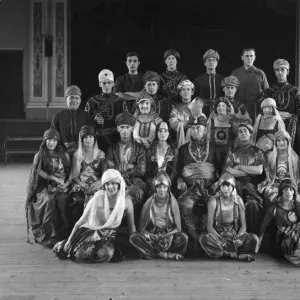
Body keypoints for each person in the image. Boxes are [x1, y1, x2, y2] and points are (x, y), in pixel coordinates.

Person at [53, 169, 136, 263]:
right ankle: (65, 244)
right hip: (92, 232)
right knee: (80, 253)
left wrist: (134, 242)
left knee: (105, 254)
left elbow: (131, 225)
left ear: (119, 184)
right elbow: (80, 222)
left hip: (110, 236)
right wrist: (69, 240)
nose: (110, 187)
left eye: (114, 183)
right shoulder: (98, 198)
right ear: (104, 186)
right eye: (107, 184)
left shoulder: (126, 201)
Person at [25, 129, 72, 247]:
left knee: (63, 200)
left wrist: (65, 184)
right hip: (45, 185)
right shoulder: (40, 155)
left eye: (54, 140)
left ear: (58, 142)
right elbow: (37, 171)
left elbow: (70, 172)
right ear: (45, 141)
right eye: (49, 140)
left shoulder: (64, 154)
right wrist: (52, 178)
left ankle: (64, 233)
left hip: (63, 184)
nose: (51, 143)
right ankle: (48, 234)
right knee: (49, 200)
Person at [199, 173, 258, 262]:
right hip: (218, 237)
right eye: (223, 186)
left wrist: (237, 240)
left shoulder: (238, 200)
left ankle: (225, 253)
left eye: (228, 186)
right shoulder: (213, 201)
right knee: (204, 238)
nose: (225, 189)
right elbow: (209, 227)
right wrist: (222, 241)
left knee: (254, 238)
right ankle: (234, 256)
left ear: (233, 187)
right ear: (219, 187)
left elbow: (243, 226)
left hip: (235, 237)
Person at [130, 171, 188, 260]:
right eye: (159, 187)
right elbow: (142, 229)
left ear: (168, 188)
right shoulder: (149, 203)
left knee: (183, 238)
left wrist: (167, 235)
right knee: (134, 237)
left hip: (168, 236)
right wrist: (150, 235)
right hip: (152, 236)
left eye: (164, 187)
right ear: (155, 188)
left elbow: (178, 229)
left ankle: (153, 254)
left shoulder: (173, 202)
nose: (161, 190)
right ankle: (164, 255)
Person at [177, 116, 216, 246]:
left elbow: (221, 169)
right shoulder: (183, 149)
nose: (195, 131)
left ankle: (207, 239)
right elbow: (178, 169)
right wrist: (180, 179)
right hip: (190, 188)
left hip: (209, 187)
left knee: (213, 205)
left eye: (198, 128)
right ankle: (196, 239)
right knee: (184, 205)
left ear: (205, 130)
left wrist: (217, 183)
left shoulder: (214, 148)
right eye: (192, 128)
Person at [224, 123, 265, 235]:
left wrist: (239, 167)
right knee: (233, 202)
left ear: (250, 133)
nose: (242, 133)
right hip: (234, 185)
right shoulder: (232, 152)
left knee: (252, 203)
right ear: (237, 135)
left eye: (245, 131)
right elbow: (228, 171)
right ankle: (234, 236)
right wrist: (249, 170)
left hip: (252, 186)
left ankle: (252, 236)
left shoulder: (258, 152)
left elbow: (259, 171)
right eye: (240, 131)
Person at [105, 112, 147, 214]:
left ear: (132, 129)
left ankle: (130, 226)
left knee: (129, 200)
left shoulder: (140, 148)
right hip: (115, 183)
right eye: (122, 127)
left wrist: (121, 169)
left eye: (127, 127)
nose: (124, 131)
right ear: (118, 128)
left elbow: (141, 170)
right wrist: (131, 166)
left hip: (134, 183)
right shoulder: (112, 148)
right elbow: (109, 169)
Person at [257, 179, 300, 266]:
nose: (289, 192)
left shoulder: (298, 206)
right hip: (285, 241)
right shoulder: (274, 209)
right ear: (281, 192)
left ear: (294, 192)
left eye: (291, 190)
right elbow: (263, 227)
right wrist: (257, 246)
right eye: (286, 189)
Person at [69, 126, 105, 224]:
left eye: (90, 137)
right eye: (85, 137)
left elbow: (105, 174)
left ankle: (97, 228)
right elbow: (74, 175)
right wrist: (81, 184)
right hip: (81, 185)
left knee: (99, 199)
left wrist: (98, 182)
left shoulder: (101, 154)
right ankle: (80, 227)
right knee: (80, 200)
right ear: (82, 140)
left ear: (94, 138)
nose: (88, 140)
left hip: (97, 184)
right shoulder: (77, 155)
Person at [85, 69, 126, 152]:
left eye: (109, 82)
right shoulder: (92, 101)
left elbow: (126, 122)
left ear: (113, 83)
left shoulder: (120, 101)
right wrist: (94, 120)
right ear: (100, 84)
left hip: (117, 139)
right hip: (97, 140)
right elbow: (84, 122)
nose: (106, 85)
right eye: (104, 83)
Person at [264, 58, 300, 155]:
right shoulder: (269, 92)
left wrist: (291, 116)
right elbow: (263, 111)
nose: (280, 72)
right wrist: (276, 114)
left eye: (282, 69)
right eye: (277, 70)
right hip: (273, 128)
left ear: (287, 71)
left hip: (291, 129)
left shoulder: (295, 91)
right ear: (275, 73)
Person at [259, 131, 299, 206]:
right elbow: (269, 176)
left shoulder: (294, 158)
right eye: (278, 140)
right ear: (275, 143)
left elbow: (296, 178)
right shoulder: (270, 157)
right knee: (276, 199)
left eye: (284, 140)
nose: (281, 142)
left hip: (289, 187)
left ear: (288, 142)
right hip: (274, 185)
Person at [50, 85, 93, 156]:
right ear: (66, 100)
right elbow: (53, 136)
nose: (74, 100)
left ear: (80, 100)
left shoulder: (86, 116)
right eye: (71, 98)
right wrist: (62, 151)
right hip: (63, 152)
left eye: (77, 98)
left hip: (83, 151)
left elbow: (91, 136)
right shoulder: (58, 117)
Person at [232, 48, 269, 121]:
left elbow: (267, 92)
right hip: (239, 110)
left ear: (254, 57)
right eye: (247, 56)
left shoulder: (260, 73)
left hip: (256, 110)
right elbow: (230, 93)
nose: (249, 58)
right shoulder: (235, 73)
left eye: (251, 56)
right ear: (242, 57)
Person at [169, 80, 206, 147]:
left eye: (188, 89)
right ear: (180, 93)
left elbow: (202, 122)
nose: (186, 92)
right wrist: (189, 122)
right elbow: (173, 124)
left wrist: (182, 122)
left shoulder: (198, 107)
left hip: (196, 140)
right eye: (183, 90)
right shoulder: (176, 108)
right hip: (180, 140)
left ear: (192, 92)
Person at [146, 121, 178, 193]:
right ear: (157, 133)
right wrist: (153, 183)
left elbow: (174, 171)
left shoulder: (174, 151)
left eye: (165, 131)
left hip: (169, 184)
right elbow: (147, 171)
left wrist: (167, 183)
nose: (163, 134)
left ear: (169, 133)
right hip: (154, 185)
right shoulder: (150, 150)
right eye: (160, 131)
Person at [207, 97, 234, 175]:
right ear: (216, 108)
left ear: (227, 108)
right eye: (219, 106)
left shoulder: (232, 121)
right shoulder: (212, 120)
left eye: (223, 106)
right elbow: (208, 136)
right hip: (214, 150)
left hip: (228, 151)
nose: (221, 108)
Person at [193, 49, 224, 117]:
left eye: (214, 60)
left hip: (219, 112)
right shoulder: (198, 80)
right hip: (202, 112)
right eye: (209, 60)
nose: (211, 62)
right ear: (205, 63)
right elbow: (194, 98)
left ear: (217, 63)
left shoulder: (222, 79)